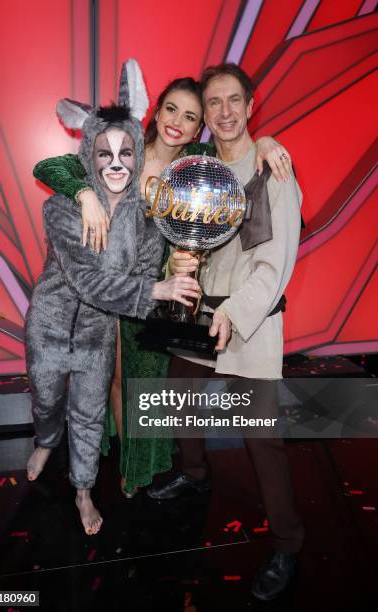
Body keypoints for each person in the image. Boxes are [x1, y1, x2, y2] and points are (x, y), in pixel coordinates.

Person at [33, 73, 293, 496]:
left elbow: (240, 155)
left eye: (191, 116)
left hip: (160, 293)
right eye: (172, 109)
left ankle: (138, 469)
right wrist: (82, 193)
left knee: (146, 390)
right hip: (105, 288)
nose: (179, 121)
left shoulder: (197, 163)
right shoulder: (126, 147)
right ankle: (119, 458)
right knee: (109, 381)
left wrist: (265, 142)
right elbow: (51, 165)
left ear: (199, 128)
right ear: (157, 112)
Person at [147, 63, 304, 602]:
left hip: (247, 319)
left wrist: (236, 313)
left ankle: (287, 542)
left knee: (262, 436)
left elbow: (275, 260)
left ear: (250, 104)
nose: (224, 112)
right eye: (213, 104)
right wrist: (179, 267)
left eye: (233, 101)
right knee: (175, 392)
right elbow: (183, 232)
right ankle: (195, 472)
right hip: (199, 310)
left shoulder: (273, 171)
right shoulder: (201, 166)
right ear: (206, 115)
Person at [25, 83, 201, 535]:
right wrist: (84, 196)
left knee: (88, 410)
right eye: (106, 154)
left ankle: (83, 491)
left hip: (100, 332)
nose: (117, 163)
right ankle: (46, 439)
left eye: (126, 153)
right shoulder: (63, 205)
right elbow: (86, 281)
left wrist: (168, 275)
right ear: (91, 155)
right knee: (47, 401)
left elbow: (146, 269)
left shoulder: (150, 210)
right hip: (48, 326)